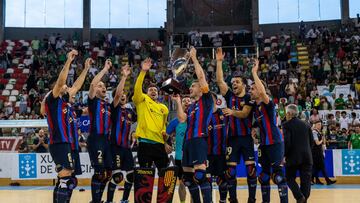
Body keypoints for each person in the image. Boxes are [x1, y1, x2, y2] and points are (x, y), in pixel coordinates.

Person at [172, 47, 214, 203]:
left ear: (201, 90)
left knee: (200, 176)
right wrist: (177, 102)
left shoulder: (206, 100)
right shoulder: (191, 106)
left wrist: (195, 58)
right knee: (188, 179)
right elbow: (182, 119)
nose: (190, 88)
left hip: (199, 140)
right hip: (187, 143)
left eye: (193, 86)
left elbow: (201, 77)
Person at [216, 47, 257, 203]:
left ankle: (251, 199)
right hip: (232, 139)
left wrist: (231, 112)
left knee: (251, 171)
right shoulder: (230, 96)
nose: (234, 84)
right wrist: (219, 62)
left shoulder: (249, 97)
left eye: (237, 82)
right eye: (232, 82)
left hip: (246, 138)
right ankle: (232, 199)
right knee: (231, 172)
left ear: (244, 84)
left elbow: (245, 114)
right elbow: (220, 81)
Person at [43, 50, 81, 203]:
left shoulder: (64, 102)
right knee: (66, 181)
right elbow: (60, 83)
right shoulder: (52, 100)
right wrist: (68, 61)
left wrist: (84, 69)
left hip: (65, 143)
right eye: (64, 85)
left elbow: (77, 86)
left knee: (69, 181)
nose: (67, 87)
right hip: (58, 142)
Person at [250, 60, 288, 203]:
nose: (250, 91)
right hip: (264, 145)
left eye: (252, 89)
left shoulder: (268, 103)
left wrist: (254, 72)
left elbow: (261, 91)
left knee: (278, 176)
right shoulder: (255, 108)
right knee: (264, 177)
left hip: (275, 143)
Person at [132, 58, 170, 170]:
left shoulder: (164, 108)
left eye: (155, 90)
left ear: (158, 94)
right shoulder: (142, 100)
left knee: (165, 173)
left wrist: (166, 143)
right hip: (144, 143)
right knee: (145, 175)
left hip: (159, 144)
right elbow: (137, 89)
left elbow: (163, 127)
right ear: (146, 93)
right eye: (151, 90)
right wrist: (143, 71)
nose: (153, 91)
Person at [106, 65, 136, 203]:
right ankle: (110, 201)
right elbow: (117, 94)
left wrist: (135, 133)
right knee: (117, 177)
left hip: (126, 148)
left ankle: (124, 200)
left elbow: (140, 119)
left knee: (131, 177)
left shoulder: (130, 112)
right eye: (120, 93)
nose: (123, 94)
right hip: (115, 146)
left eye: (124, 93)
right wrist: (124, 76)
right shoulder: (115, 108)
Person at [87, 59, 113, 203]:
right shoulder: (93, 101)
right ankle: (95, 201)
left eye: (104, 86)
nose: (103, 87)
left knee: (108, 173)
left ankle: (97, 200)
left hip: (106, 140)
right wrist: (104, 70)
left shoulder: (107, 105)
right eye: (100, 86)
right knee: (99, 172)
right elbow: (92, 84)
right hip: (96, 139)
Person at [283, 104, 314, 203]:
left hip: (293, 157)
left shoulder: (286, 125)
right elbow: (311, 142)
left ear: (289, 113)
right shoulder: (306, 124)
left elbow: (287, 143)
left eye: (286, 113)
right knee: (306, 181)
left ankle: (300, 197)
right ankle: (303, 199)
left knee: (289, 178)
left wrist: (284, 155)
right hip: (307, 157)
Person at [166, 96, 192, 203]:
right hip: (179, 157)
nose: (186, 102)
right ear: (180, 104)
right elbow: (166, 135)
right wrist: (166, 144)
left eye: (188, 101)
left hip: (193, 156)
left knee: (193, 182)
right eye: (184, 101)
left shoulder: (195, 118)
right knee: (181, 183)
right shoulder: (175, 121)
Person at [206, 94, 228, 203]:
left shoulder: (224, 113)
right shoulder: (204, 116)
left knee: (223, 181)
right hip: (207, 154)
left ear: (216, 100)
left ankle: (223, 200)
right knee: (207, 180)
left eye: (211, 98)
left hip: (222, 153)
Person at [311, 120, 336, 185]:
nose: (320, 126)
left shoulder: (319, 132)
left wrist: (323, 149)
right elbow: (317, 143)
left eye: (320, 124)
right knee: (322, 166)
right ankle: (327, 180)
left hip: (318, 151)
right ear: (315, 125)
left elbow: (322, 143)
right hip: (315, 152)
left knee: (317, 167)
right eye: (318, 124)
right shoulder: (314, 132)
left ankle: (315, 179)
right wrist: (322, 139)